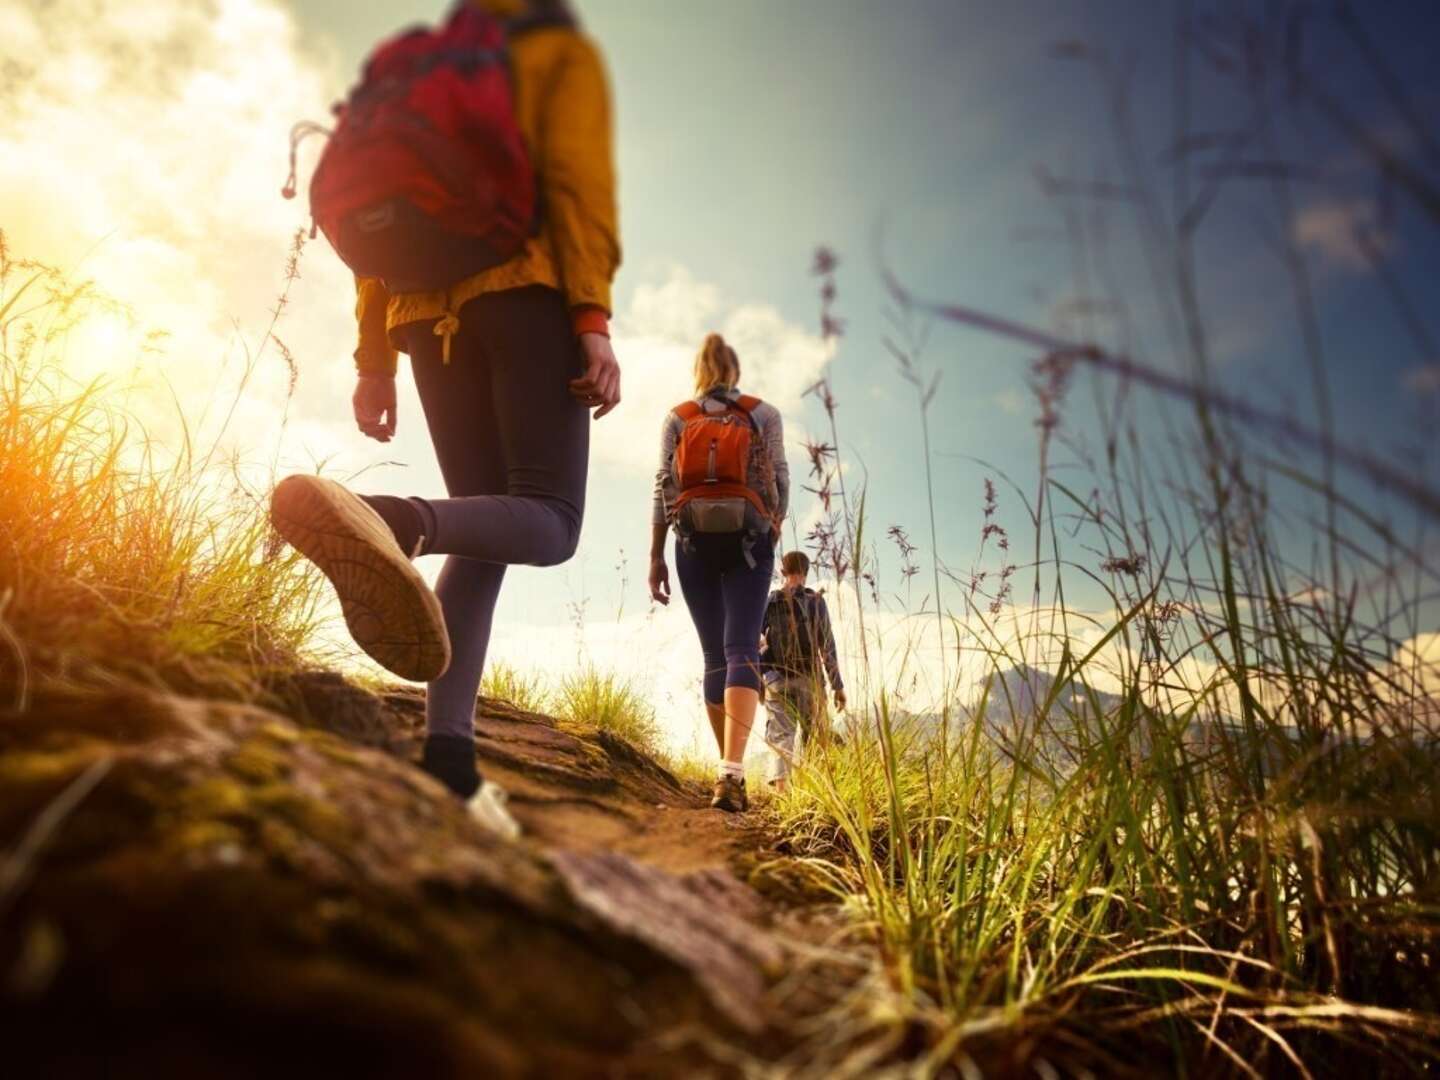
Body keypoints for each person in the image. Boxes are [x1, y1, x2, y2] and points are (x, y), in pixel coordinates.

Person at [270, 0, 620, 833]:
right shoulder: (552, 53)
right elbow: (577, 185)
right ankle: (392, 521)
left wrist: (374, 360)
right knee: (552, 519)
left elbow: (379, 242)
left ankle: (450, 763)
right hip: (524, 296)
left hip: (421, 319)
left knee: (484, 528)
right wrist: (593, 323)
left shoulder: (420, 61)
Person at [648, 333, 788, 812]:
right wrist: (771, 530)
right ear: (735, 370)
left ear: (699, 371)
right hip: (751, 542)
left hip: (691, 545)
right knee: (742, 650)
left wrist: (656, 555)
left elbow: (661, 487)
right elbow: (781, 479)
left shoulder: (678, 418)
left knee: (714, 656)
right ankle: (732, 769)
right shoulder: (763, 413)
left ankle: (727, 770)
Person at [759, 551, 846, 792]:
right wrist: (838, 686)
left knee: (780, 735)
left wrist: (759, 679)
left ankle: (782, 793)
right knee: (815, 734)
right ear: (806, 573)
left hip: (776, 679)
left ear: (782, 571)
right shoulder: (816, 601)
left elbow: (755, 641)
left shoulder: (768, 601)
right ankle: (815, 793)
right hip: (810, 679)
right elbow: (827, 646)